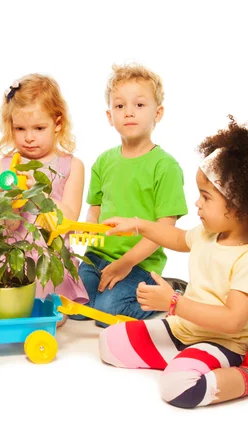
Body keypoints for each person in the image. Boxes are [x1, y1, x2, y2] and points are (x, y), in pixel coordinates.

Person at [100, 116, 248, 408]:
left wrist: (173, 303)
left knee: (178, 389)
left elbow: (232, 320)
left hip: (226, 342)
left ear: (239, 205)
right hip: (184, 330)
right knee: (109, 342)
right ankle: (188, 359)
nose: (196, 204)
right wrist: (137, 224)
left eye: (205, 196)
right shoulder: (208, 234)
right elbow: (177, 239)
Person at [78, 64, 187, 323]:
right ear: (109, 116)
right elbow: (95, 207)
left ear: (157, 113)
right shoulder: (104, 161)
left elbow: (164, 229)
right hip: (97, 256)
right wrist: (87, 231)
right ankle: (105, 294)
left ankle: (169, 291)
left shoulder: (165, 166)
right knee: (76, 306)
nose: (129, 112)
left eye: (139, 105)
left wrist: (126, 262)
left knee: (107, 313)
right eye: (120, 106)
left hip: (140, 264)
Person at [0, 74, 87, 309]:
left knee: (51, 315)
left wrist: (39, 193)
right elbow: (9, 226)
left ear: (58, 124)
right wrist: (6, 201)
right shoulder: (3, 167)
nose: (29, 137)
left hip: (51, 260)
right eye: (20, 128)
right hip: (14, 259)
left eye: (39, 128)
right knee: (11, 311)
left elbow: (69, 220)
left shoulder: (72, 165)